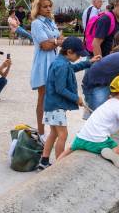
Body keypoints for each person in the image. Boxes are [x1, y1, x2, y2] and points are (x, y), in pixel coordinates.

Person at [58, 74, 119, 169]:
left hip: (81, 137)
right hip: (97, 141)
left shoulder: (109, 102)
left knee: (69, 149)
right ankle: (108, 153)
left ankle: (55, 166)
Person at [38, 38, 99, 170]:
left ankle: (44, 161)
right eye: (78, 55)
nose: (78, 58)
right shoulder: (62, 65)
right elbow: (60, 89)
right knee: (63, 134)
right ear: (70, 52)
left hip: (51, 105)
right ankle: (59, 164)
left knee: (53, 133)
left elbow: (73, 68)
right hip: (56, 106)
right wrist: (76, 98)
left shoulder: (61, 62)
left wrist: (89, 62)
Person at [30, 0, 63, 139]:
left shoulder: (51, 22)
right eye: (45, 6)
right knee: (43, 97)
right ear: (38, 8)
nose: (48, 8)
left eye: (50, 6)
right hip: (43, 63)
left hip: (53, 61)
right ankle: (41, 132)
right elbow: (45, 45)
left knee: (52, 97)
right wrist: (56, 41)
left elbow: (55, 40)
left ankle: (51, 131)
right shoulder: (37, 23)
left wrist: (53, 41)